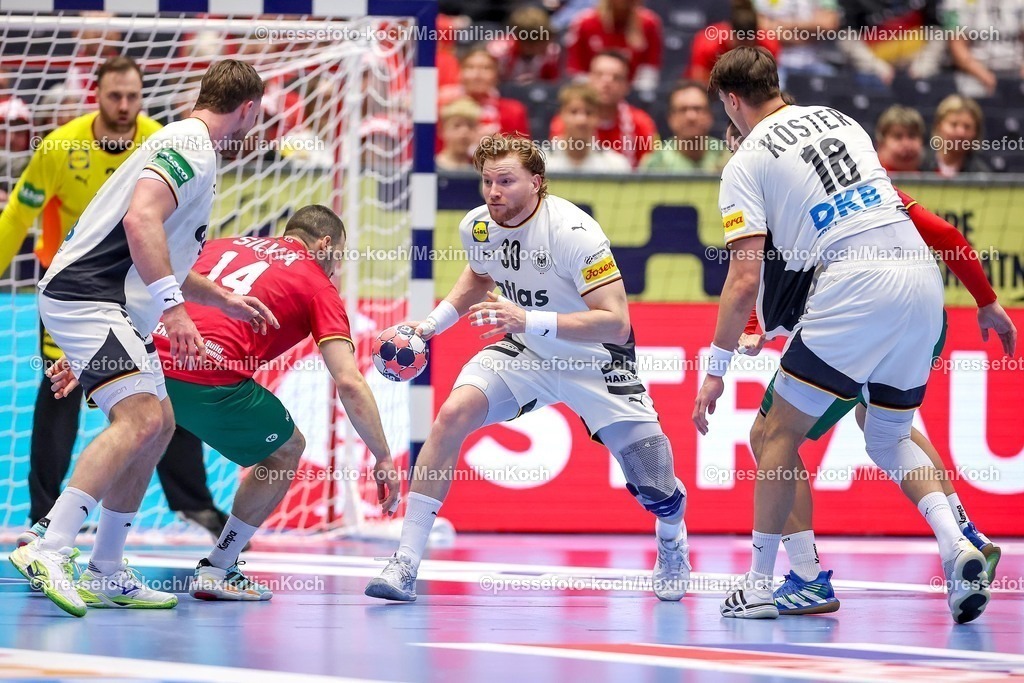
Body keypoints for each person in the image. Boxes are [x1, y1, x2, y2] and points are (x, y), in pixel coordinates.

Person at [693, 46, 991, 624]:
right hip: (922, 281)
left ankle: (764, 585)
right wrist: (985, 298)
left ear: (730, 101)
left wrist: (715, 369)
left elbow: (744, 277)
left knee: (773, 434)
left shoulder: (745, 160)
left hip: (856, 288)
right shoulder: (841, 120)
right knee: (888, 434)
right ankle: (958, 544)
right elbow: (911, 218)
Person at [365, 133, 690, 602]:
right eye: (487, 181)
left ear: (536, 182)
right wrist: (432, 325)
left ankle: (672, 540)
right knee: (451, 415)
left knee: (656, 487)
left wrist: (528, 318)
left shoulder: (575, 233)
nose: (493, 192)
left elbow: (616, 323)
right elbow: (479, 277)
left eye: (506, 181)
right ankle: (405, 563)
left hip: (595, 360)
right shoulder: (479, 225)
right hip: (527, 352)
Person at [9, 59, 272, 618]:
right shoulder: (190, 145)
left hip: (110, 304)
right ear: (248, 109)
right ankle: (49, 546)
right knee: (140, 418)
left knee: (161, 423)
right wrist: (175, 312)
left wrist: (221, 299)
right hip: (89, 296)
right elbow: (139, 222)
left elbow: (161, 251)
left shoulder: (191, 147)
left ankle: (106, 570)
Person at [47, 206, 401, 601]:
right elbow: (349, 381)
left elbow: (148, 283)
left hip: (144, 355)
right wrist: (383, 457)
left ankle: (83, 554)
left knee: (142, 435)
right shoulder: (318, 284)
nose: (337, 268)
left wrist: (98, 354)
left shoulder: (221, 245)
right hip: (206, 376)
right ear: (325, 244)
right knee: (286, 450)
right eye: (339, 256)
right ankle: (219, 568)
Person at [0, 57, 228, 542]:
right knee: (66, 396)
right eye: (114, 97)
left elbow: (174, 238)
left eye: (133, 97)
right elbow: (18, 216)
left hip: (136, 296)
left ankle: (190, 507)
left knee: (161, 406)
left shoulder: (165, 139)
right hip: (79, 292)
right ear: (97, 96)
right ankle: (45, 520)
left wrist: (208, 296)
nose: (124, 106)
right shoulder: (60, 146)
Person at [549, 51, 657, 168]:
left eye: (616, 77)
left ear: (627, 85)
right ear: (589, 79)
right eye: (599, 75)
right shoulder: (568, 119)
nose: (607, 83)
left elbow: (648, 168)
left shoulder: (642, 122)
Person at [564, 0, 663, 95]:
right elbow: (576, 70)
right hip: (590, 92)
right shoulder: (585, 23)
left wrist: (634, 94)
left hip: (631, 92)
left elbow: (649, 71)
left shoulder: (648, 24)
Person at [640, 81, 730, 174]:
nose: (691, 117)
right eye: (682, 110)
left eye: (698, 109)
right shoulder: (656, 165)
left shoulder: (727, 159)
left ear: (710, 115)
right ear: (670, 118)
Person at [546, 83, 631, 173]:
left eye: (589, 113)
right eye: (574, 112)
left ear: (598, 117)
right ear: (561, 115)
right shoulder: (541, 163)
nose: (581, 120)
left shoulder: (616, 166)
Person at [921, 95, 992, 177]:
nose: (960, 133)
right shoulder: (919, 165)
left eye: (967, 127)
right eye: (953, 125)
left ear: (976, 132)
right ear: (939, 126)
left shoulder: (981, 174)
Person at [436, 97, 483, 172]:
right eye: (457, 126)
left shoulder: (481, 170)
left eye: (470, 126)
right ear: (443, 131)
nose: (464, 132)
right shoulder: (427, 168)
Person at [874, 105, 925, 173]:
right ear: (880, 144)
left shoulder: (935, 175)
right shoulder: (865, 177)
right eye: (898, 137)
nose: (906, 144)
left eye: (912, 136)